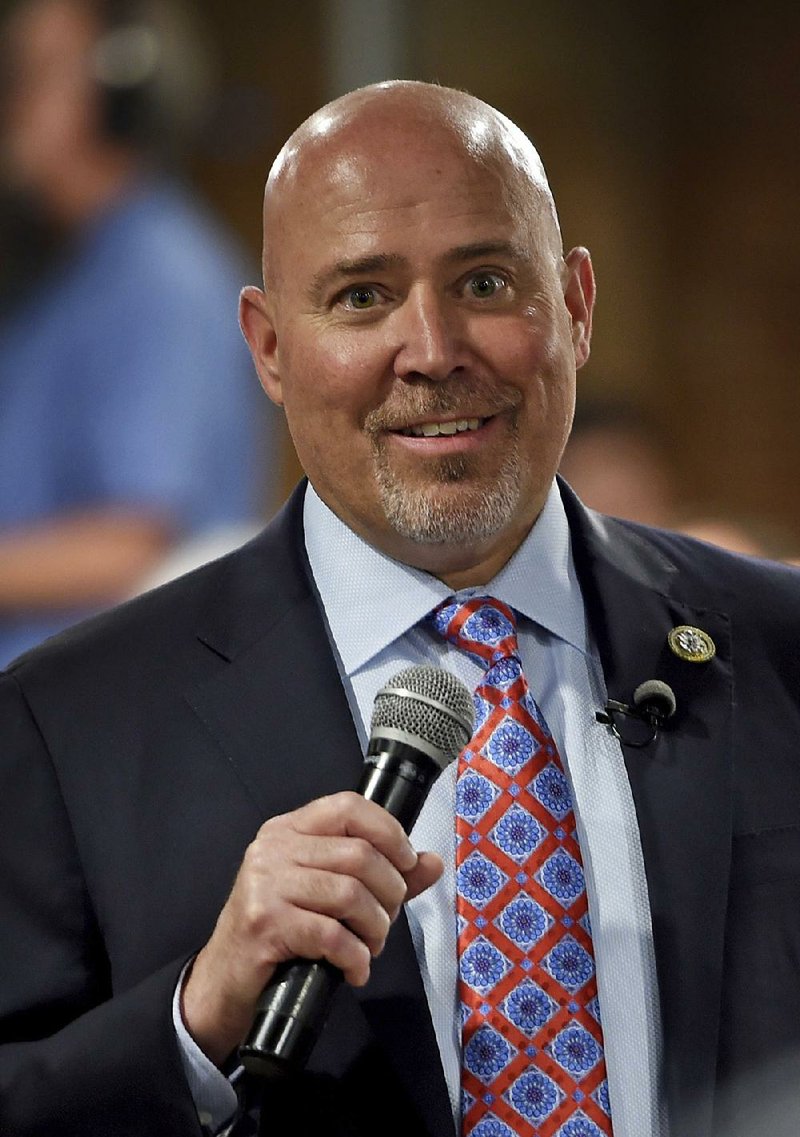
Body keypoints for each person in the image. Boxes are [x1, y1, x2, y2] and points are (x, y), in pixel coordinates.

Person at [1, 79, 799, 1137]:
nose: (430, 349)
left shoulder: (778, 645)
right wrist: (194, 1020)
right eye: (362, 297)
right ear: (268, 346)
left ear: (574, 307)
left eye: (481, 279)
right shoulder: (70, 721)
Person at [0, 0, 274, 666]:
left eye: (31, 74)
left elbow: (134, 543)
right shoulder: (69, 273)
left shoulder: (163, 277)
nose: (11, 102)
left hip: (93, 723)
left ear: (119, 98)